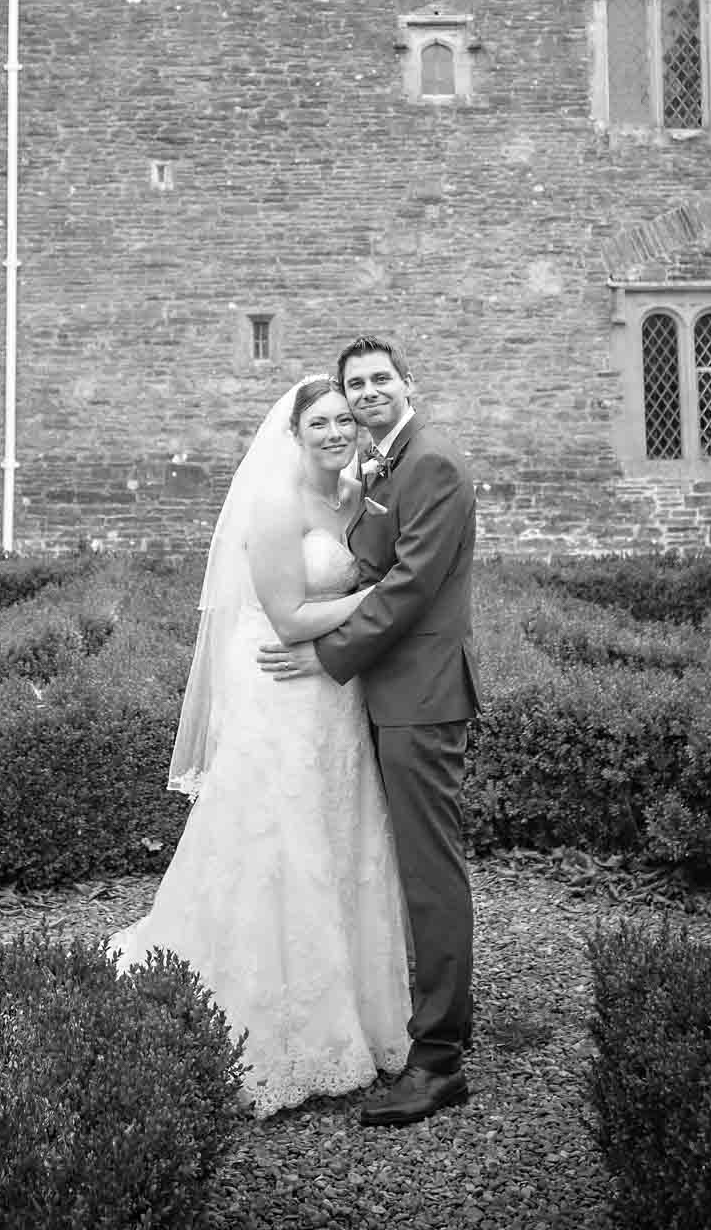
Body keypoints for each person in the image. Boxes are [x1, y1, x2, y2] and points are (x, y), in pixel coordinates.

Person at [109, 377, 411, 1118]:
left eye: (345, 419)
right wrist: (392, 598)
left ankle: (355, 1005)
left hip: (335, 691)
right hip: (281, 688)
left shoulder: (353, 497)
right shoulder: (275, 505)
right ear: (294, 431)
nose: (336, 431)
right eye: (320, 421)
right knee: (280, 836)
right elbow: (287, 613)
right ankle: (270, 1017)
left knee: (339, 832)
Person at [258, 334, 481, 1127]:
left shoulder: (433, 462)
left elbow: (413, 585)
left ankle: (438, 1061)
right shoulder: (385, 463)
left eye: (380, 377)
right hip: (388, 694)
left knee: (429, 873)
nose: (368, 391)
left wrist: (328, 655)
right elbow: (374, 566)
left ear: (407, 383)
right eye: (356, 383)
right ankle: (413, 1019)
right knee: (394, 869)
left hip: (419, 696)